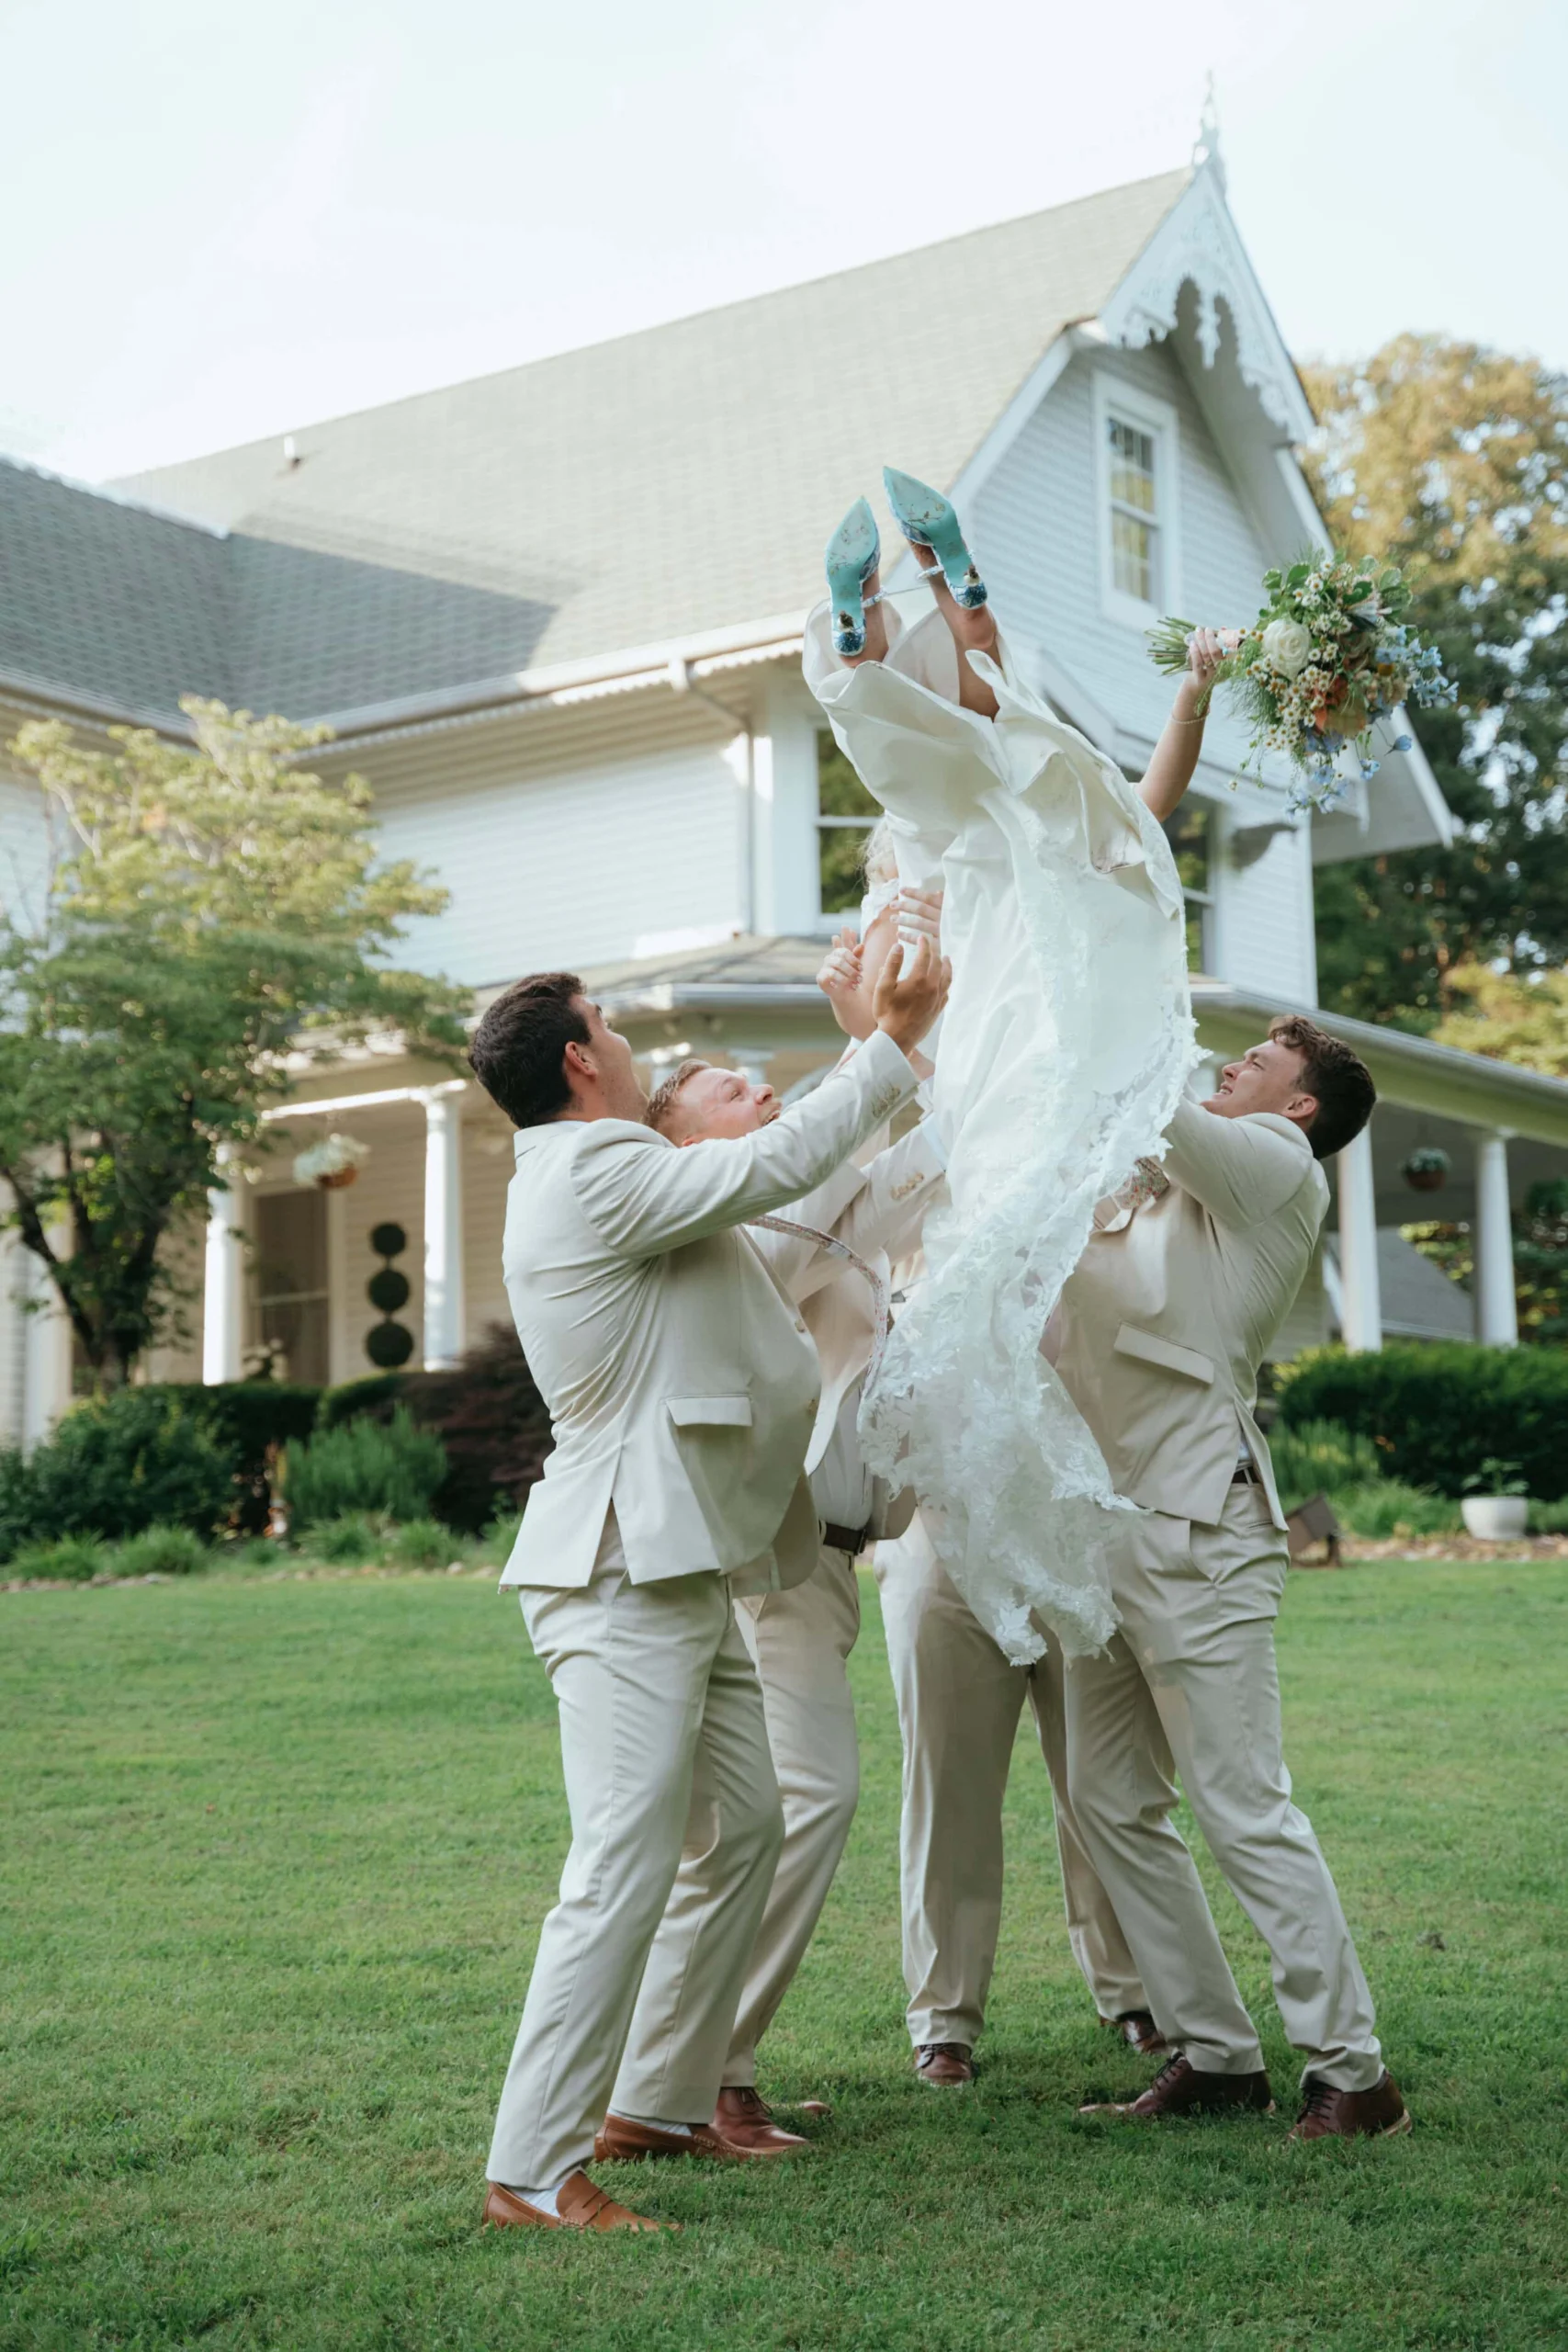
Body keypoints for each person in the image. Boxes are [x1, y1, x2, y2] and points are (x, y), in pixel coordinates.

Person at [468, 945, 949, 2233]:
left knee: (743, 1823)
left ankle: (663, 2099)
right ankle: (528, 2169)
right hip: (620, 1569)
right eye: (608, 1027)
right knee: (616, 1866)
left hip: (689, 1563)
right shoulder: (592, 1165)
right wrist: (885, 1046)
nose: (624, 1042)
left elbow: (778, 1206)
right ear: (578, 1060)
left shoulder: (623, 1171)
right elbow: (774, 1165)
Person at [1055, 1016, 1411, 2141]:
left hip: (1203, 1530)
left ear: (1298, 1105)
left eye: (1257, 1062)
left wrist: (1111, 958)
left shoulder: (1277, 1164)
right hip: (1100, 1531)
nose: (1230, 1063)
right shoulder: (1158, 1179)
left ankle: (1355, 2073)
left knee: (1242, 1802)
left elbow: (1149, 1089)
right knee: (1107, 1798)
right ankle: (1213, 2051)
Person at [602, 1010, 947, 2154]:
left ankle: (697, 2070)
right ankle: (707, 2075)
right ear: (689, 1144)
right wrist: (877, 1036)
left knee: (772, 1814)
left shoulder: (814, 1208)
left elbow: (912, 1155)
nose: (766, 1098)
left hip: (832, 1557)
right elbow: (833, 1160)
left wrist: (940, 1032)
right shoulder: (738, 1226)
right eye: (737, 1093)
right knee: (802, 1803)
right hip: (768, 1568)